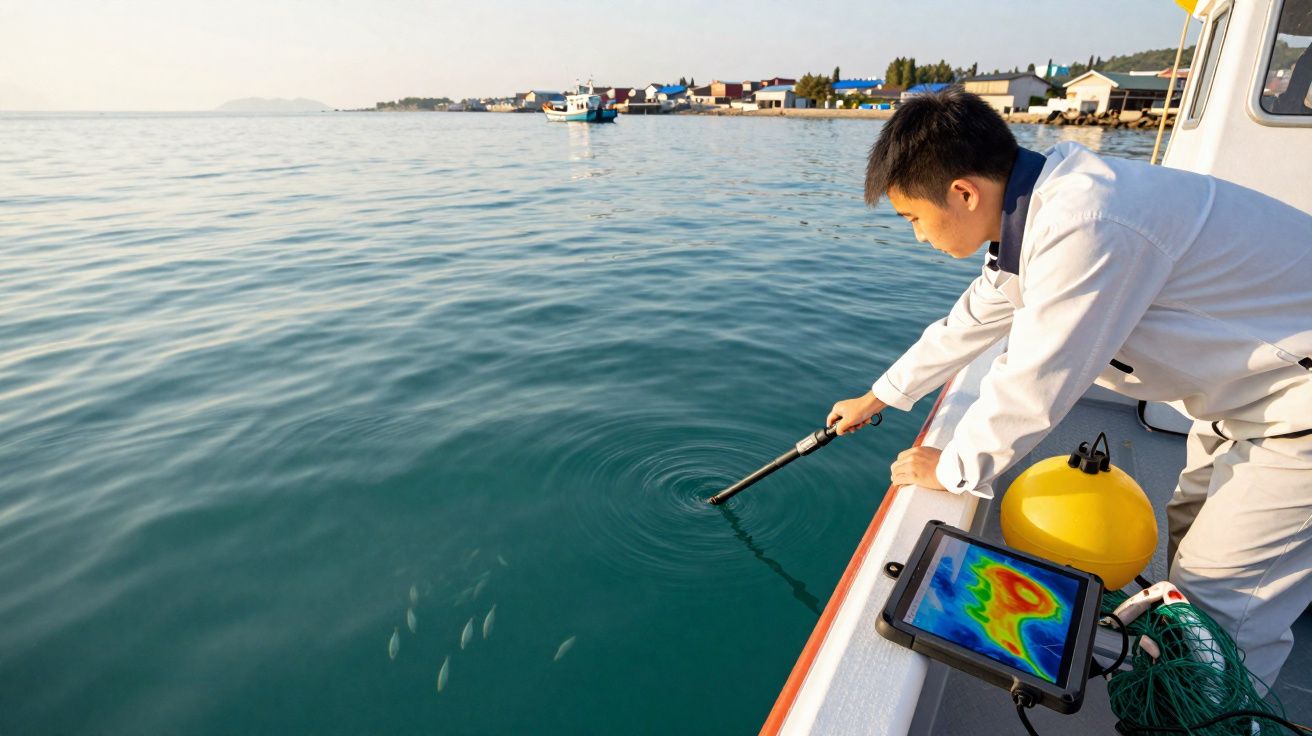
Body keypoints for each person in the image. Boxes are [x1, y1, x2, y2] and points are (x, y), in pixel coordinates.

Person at [825, 88, 1312, 689]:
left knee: (1223, 602)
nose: (918, 237)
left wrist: (952, 469)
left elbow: (1035, 380)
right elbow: (975, 318)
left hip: (1295, 409)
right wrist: (878, 397)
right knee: (1189, 528)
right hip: (1245, 397)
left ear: (964, 193)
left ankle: (1223, 720)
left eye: (914, 219)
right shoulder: (1041, 208)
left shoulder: (1087, 221)